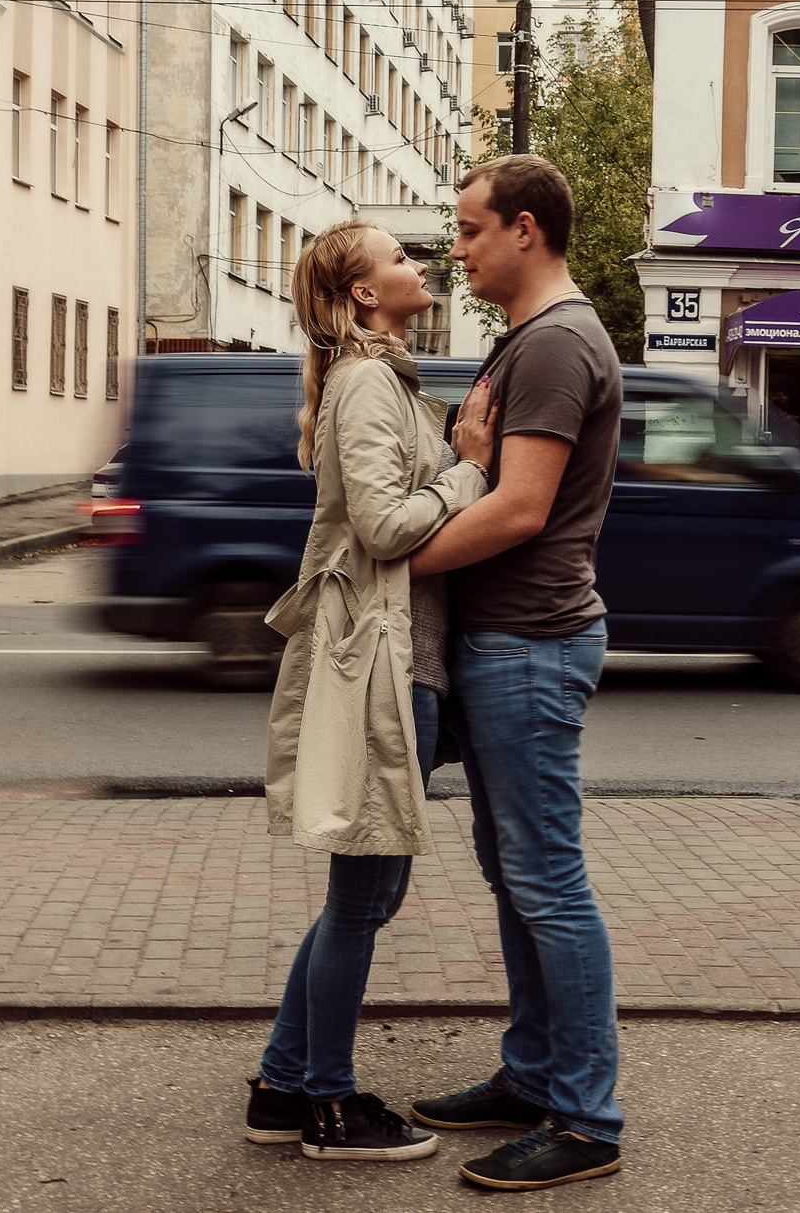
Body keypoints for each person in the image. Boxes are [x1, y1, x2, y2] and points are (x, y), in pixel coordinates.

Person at [243, 218, 499, 1162]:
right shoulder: (363, 383)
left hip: (405, 658)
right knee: (362, 899)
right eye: (399, 258)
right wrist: (470, 470)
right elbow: (385, 526)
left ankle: (283, 1085)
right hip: (385, 663)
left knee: (368, 897)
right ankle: (330, 1105)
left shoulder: (383, 380)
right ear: (361, 293)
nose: (420, 264)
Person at [407, 155, 627, 1192]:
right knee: (517, 875)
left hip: (529, 645)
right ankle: (534, 1073)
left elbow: (519, 508)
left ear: (524, 229)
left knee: (546, 881)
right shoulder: (527, 338)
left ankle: (584, 1117)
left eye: (469, 229)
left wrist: (389, 561)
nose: (456, 250)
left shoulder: (554, 344)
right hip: (506, 642)